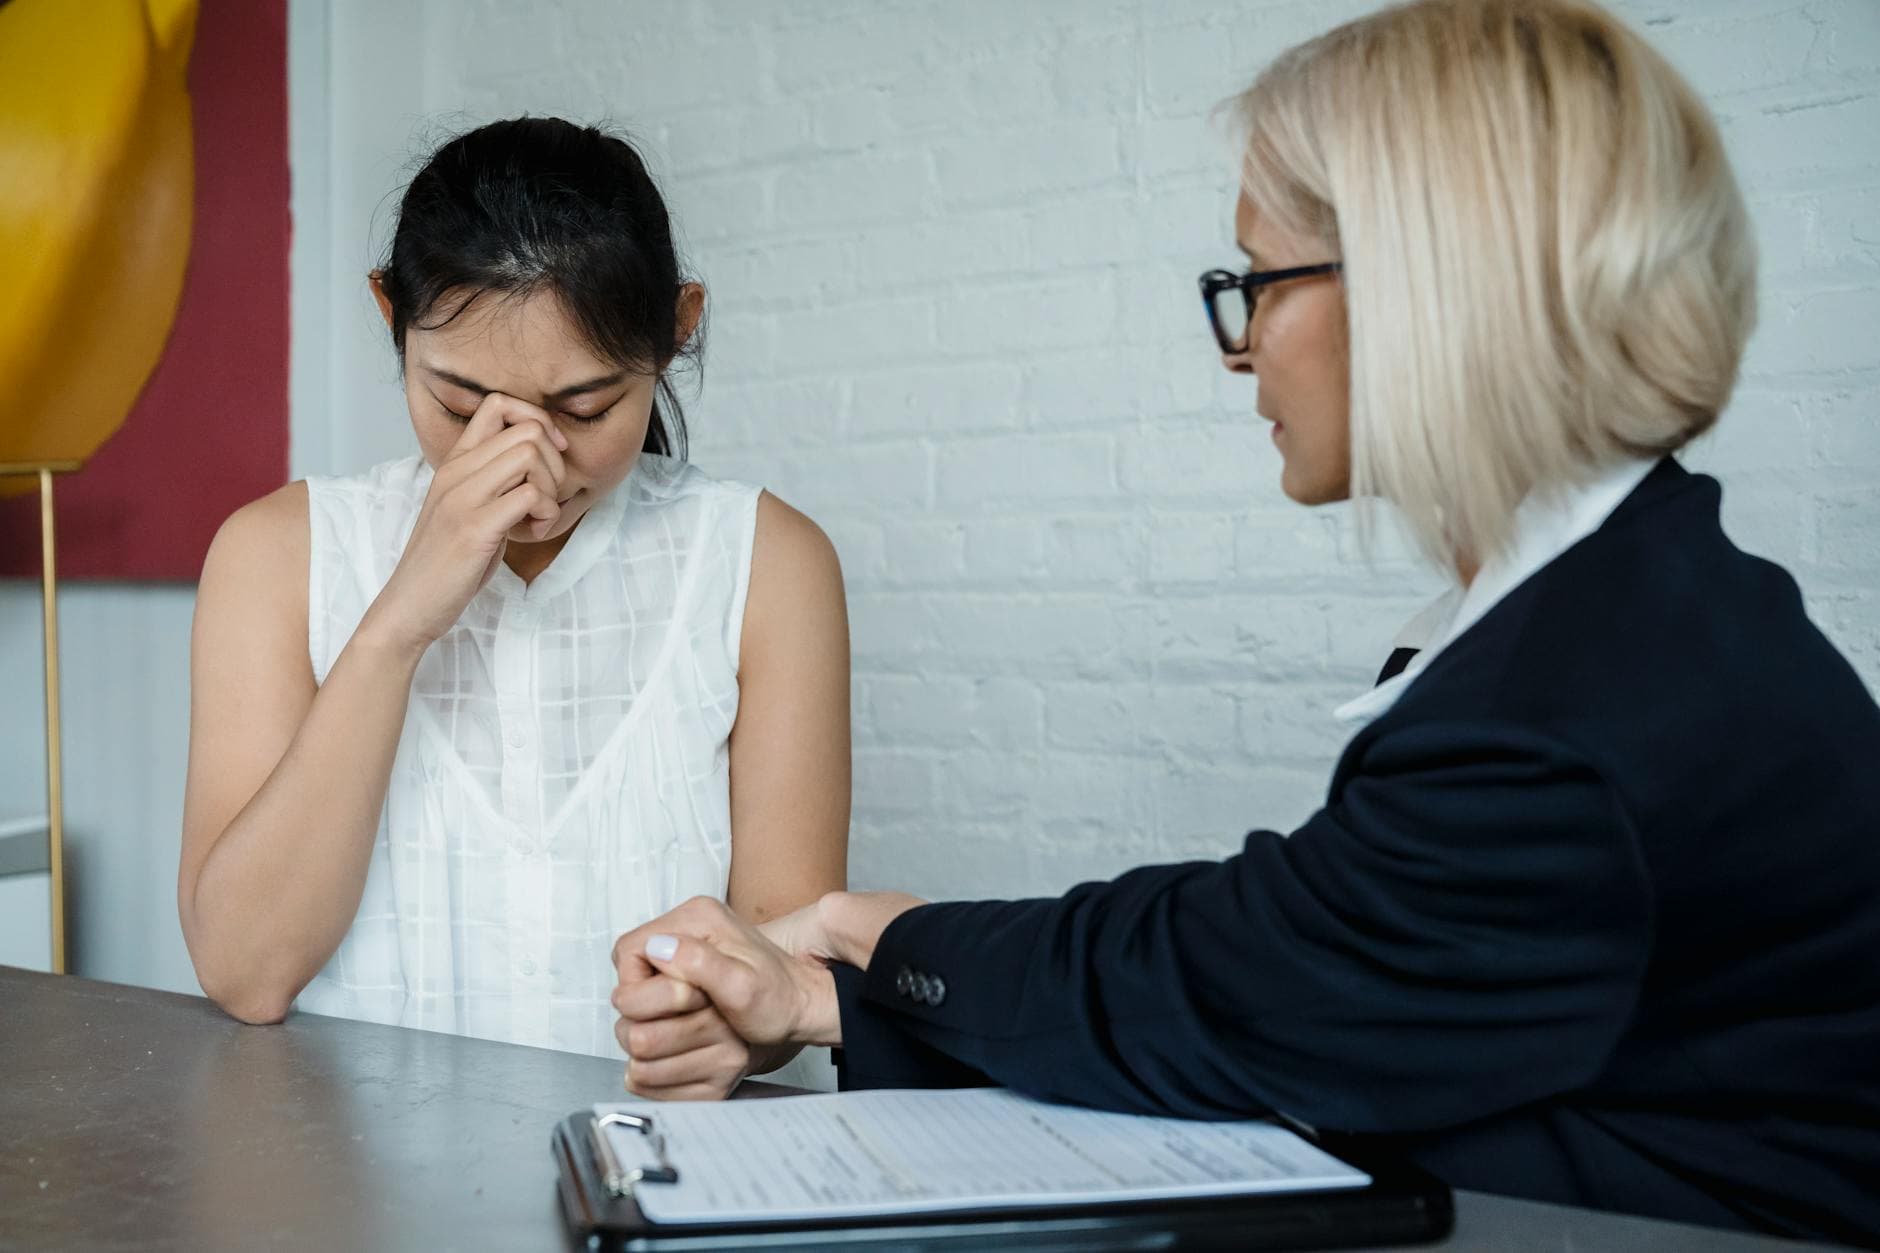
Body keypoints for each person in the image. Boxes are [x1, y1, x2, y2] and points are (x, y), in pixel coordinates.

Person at [606, 0, 1880, 1240]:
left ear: (1426, 282)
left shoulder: (1574, 708)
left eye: (1260, 280)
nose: (1240, 345)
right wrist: (838, 991)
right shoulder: (1626, 613)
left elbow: (1236, 979)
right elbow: (1289, 952)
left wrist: (852, 935)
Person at [179, 118, 851, 1098]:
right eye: (461, 407)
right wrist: (401, 617)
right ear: (389, 315)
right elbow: (245, 971)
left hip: (662, 1181)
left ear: (676, 327)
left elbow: (784, 974)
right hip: (346, 1189)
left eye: (584, 410)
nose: (529, 470)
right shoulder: (276, 553)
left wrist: (736, 1026)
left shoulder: (766, 562)